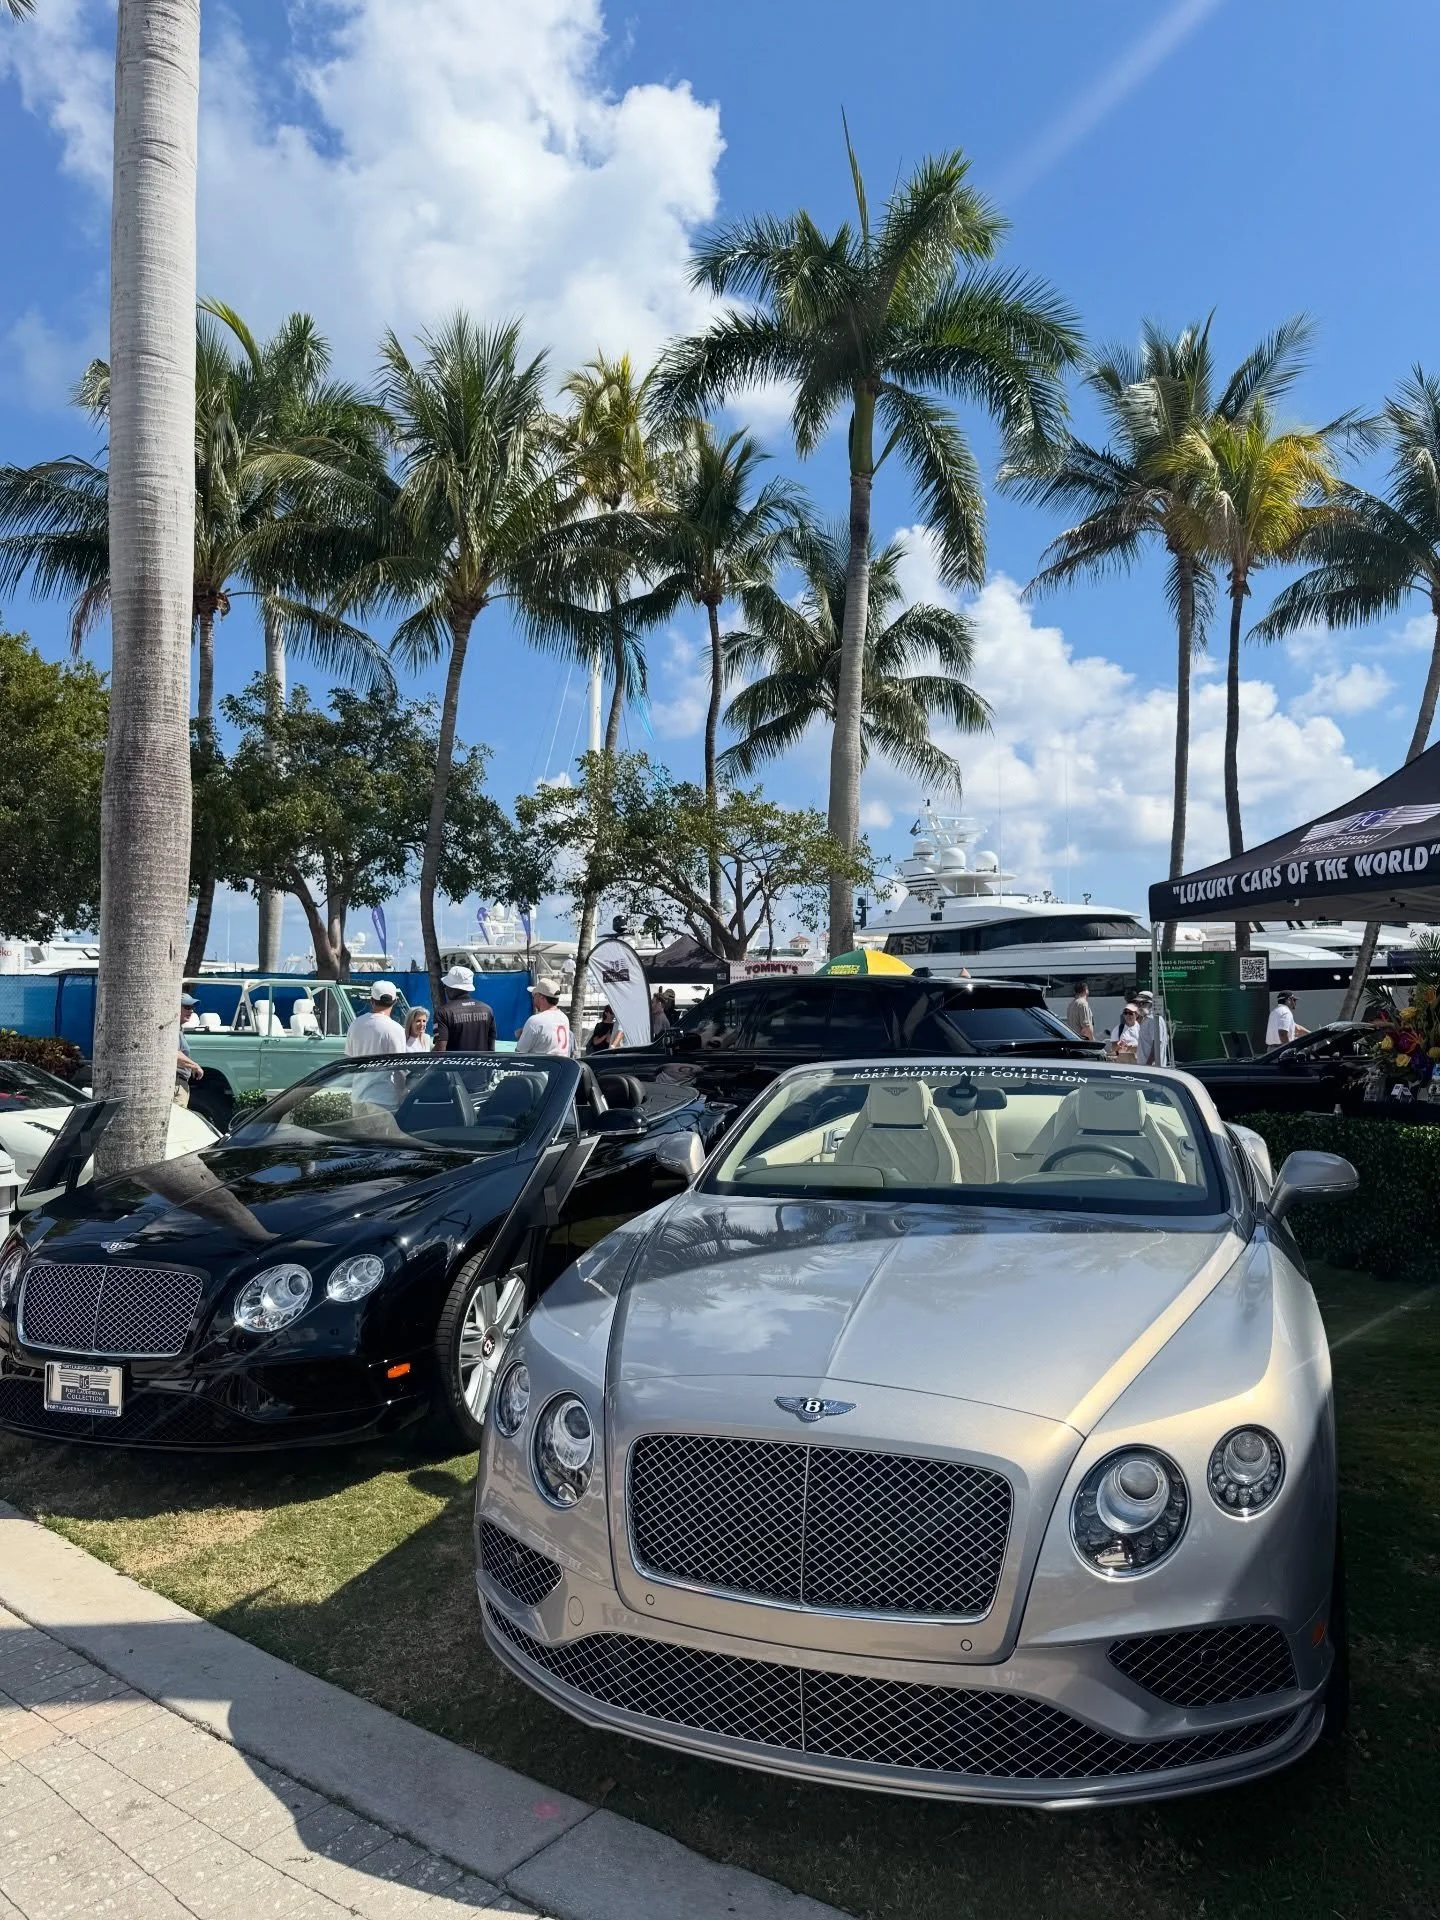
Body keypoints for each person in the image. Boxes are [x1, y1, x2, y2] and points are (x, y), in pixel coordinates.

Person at [433, 965, 495, 1053]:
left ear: (452, 988)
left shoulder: (443, 1012)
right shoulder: (487, 1010)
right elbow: (491, 1048)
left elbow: (440, 1050)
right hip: (481, 1065)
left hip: (453, 1066)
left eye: (446, 986)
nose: (445, 989)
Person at [345, 980, 407, 1058]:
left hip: (359, 1070)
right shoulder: (397, 1029)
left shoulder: (355, 1024)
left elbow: (348, 1057)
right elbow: (398, 1064)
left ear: (371, 1000)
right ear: (395, 1002)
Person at [515, 977, 572, 1056]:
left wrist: (521, 1037)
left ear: (541, 998)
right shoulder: (564, 1018)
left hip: (542, 1066)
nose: (533, 998)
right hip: (561, 1066)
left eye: (534, 995)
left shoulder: (535, 1021)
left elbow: (519, 1052)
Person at [175, 997, 204, 1106]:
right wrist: (195, 1066)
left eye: (192, 1007)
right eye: (187, 1007)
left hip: (180, 1083)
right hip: (176, 1084)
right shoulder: (173, 1031)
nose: (191, 1011)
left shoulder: (179, 1030)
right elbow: (174, 1054)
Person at [1134, 988, 1169, 1066]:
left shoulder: (1153, 1020)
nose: (1140, 1006)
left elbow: (1156, 1044)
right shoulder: (1147, 1019)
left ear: (1151, 1004)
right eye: (1138, 1003)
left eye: (1143, 1003)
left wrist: (1148, 1065)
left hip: (1152, 1068)